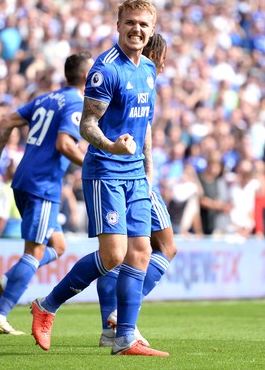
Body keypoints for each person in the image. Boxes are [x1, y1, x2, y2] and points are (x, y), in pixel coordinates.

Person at [31, 0, 170, 356]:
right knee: (113, 256)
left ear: (152, 30)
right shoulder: (104, 69)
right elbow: (87, 124)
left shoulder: (149, 70)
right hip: (105, 170)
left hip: (135, 173)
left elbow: (146, 124)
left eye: (144, 24)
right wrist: (112, 146)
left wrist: (147, 168)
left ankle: (124, 337)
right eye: (130, 23)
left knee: (141, 252)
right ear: (118, 25)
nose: (137, 29)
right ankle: (46, 306)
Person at [0, 52, 94, 334]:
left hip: (23, 179)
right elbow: (65, 144)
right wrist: (93, 164)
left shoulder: (46, 98)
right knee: (35, 252)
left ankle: (5, 281)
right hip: (43, 185)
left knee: (58, 246)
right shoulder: (77, 103)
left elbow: (5, 122)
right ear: (87, 77)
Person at [97, 33, 177, 347]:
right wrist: (147, 176)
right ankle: (118, 315)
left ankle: (109, 329)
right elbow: (142, 137)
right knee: (165, 247)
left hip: (124, 173)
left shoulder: (139, 76)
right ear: (156, 54)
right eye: (165, 57)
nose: (165, 64)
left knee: (118, 255)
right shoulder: (142, 73)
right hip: (132, 175)